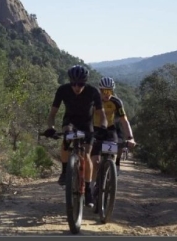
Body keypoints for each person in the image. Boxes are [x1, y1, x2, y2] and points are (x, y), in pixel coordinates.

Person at [43, 65, 107, 207]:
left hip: (87, 124)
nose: (77, 87)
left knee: (87, 154)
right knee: (67, 137)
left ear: (85, 82)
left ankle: (88, 189)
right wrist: (50, 128)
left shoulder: (93, 92)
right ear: (70, 82)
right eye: (73, 84)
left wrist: (103, 127)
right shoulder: (63, 90)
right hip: (70, 122)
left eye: (80, 84)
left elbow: (102, 115)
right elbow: (52, 114)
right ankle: (65, 171)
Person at [90, 77, 136, 198]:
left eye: (109, 91)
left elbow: (124, 121)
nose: (107, 94)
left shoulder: (116, 102)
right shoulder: (93, 101)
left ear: (113, 91)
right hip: (94, 129)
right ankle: (91, 187)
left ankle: (111, 168)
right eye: (104, 91)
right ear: (100, 91)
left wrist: (130, 137)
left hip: (109, 130)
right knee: (95, 161)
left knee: (114, 150)